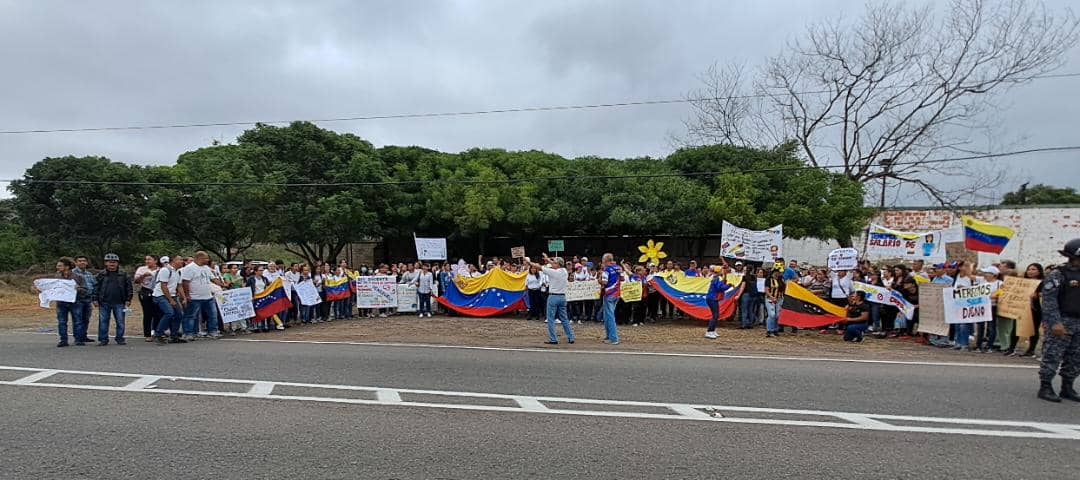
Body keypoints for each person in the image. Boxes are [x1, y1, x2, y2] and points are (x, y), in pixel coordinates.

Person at [1036, 238, 1080, 403]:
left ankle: (1067, 386)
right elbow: (1049, 301)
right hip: (1063, 321)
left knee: (1076, 357)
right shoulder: (1058, 274)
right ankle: (1045, 386)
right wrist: (1055, 323)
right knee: (1053, 355)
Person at [35, 257, 87, 347]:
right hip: (61, 303)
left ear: (67, 267)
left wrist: (78, 288)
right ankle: (63, 340)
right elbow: (52, 288)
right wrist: (43, 290)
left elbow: (85, 289)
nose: (57, 267)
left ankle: (78, 339)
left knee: (78, 321)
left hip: (75, 302)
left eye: (60, 266)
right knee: (62, 321)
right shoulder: (57, 277)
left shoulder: (78, 277)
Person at [530, 254, 574, 345]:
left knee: (550, 319)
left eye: (554, 263)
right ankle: (571, 337)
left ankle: (553, 339)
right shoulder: (564, 271)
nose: (552, 264)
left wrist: (529, 262)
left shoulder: (553, 272)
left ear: (557, 264)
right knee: (564, 318)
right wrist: (548, 259)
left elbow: (539, 267)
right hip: (562, 296)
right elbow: (555, 265)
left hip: (553, 296)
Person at [180, 251, 221, 340]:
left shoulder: (206, 268)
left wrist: (222, 284)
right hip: (195, 297)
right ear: (200, 258)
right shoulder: (189, 268)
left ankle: (213, 331)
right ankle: (188, 333)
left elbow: (213, 278)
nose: (208, 260)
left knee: (213, 314)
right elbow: (185, 282)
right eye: (206, 258)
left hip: (208, 296)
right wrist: (187, 295)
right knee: (191, 316)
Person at [93, 253, 132, 346]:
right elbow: (95, 287)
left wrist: (128, 299)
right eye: (109, 262)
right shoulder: (101, 274)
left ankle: (120, 338)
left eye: (114, 262)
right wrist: (94, 299)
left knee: (120, 322)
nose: (112, 264)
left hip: (120, 302)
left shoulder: (124, 274)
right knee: (103, 322)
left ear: (118, 263)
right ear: (105, 263)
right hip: (104, 302)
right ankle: (103, 339)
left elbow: (129, 288)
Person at [152, 255, 187, 345]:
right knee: (169, 313)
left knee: (179, 314)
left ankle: (174, 336)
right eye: (180, 260)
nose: (182, 261)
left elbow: (179, 286)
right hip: (160, 295)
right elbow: (163, 286)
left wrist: (184, 297)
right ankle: (158, 334)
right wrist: (170, 300)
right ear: (173, 261)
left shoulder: (179, 272)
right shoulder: (165, 270)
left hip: (172, 295)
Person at [133, 255, 160, 341]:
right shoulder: (142, 269)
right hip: (145, 291)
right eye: (146, 259)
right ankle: (147, 333)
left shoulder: (160, 270)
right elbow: (136, 281)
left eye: (149, 259)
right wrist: (143, 276)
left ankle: (157, 332)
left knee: (158, 312)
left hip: (157, 291)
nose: (147, 261)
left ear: (155, 261)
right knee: (148, 313)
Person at [72, 255, 96, 345]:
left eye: (84, 261)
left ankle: (83, 336)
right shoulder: (72, 273)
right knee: (78, 319)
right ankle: (78, 338)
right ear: (76, 262)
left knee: (86, 319)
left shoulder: (89, 274)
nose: (82, 262)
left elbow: (94, 285)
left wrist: (94, 297)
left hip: (88, 299)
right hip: (77, 299)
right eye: (80, 261)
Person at [704, 266, 733, 339]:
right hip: (712, 298)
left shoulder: (715, 277)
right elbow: (721, 288)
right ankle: (709, 331)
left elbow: (722, 284)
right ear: (719, 271)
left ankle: (712, 330)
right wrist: (729, 285)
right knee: (715, 315)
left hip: (711, 298)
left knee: (716, 315)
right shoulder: (717, 278)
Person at [599, 253, 621, 345]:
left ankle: (613, 338)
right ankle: (609, 336)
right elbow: (622, 278)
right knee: (607, 316)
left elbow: (604, 282)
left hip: (609, 294)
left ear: (605, 260)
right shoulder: (619, 268)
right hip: (617, 294)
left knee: (610, 316)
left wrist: (599, 280)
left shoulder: (606, 270)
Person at [764, 269, 784, 337]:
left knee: (778, 315)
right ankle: (769, 330)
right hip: (770, 299)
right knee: (772, 314)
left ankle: (775, 329)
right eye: (776, 272)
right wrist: (772, 297)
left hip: (779, 299)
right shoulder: (768, 280)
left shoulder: (781, 280)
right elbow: (766, 290)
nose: (777, 273)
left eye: (778, 272)